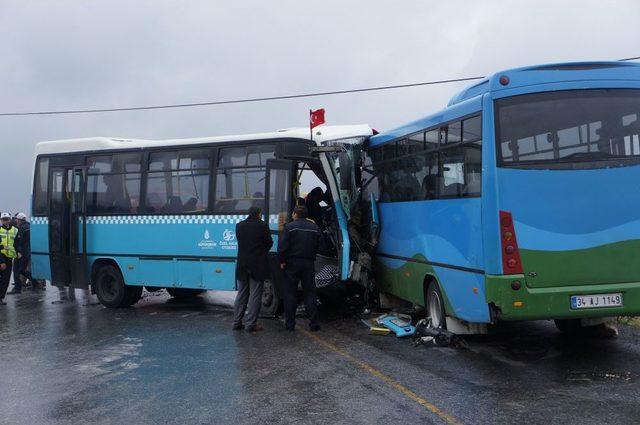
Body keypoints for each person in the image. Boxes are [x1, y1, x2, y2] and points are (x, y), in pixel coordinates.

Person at [277, 205, 321, 331]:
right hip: (308, 264)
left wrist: (282, 261)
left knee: (290, 293)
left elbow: (282, 247)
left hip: (291, 264)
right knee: (310, 294)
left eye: (293, 214)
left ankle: (290, 324)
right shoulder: (314, 228)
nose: (292, 215)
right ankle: (314, 324)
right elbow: (321, 246)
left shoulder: (289, 227)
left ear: (296, 214)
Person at [232, 206, 273, 332]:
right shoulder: (262, 226)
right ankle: (250, 324)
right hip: (257, 265)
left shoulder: (239, 226)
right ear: (259, 214)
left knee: (242, 293)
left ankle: (236, 322)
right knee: (255, 295)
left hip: (242, 264)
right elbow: (269, 243)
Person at [8, 212, 33, 294]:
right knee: (22, 269)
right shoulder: (29, 226)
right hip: (28, 252)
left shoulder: (21, 229)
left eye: (17, 220)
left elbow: (20, 241)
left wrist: (17, 251)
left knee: (16, 270)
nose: (16, 221)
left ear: (19, 220)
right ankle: (34, 281)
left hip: (20, 253)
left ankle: (17, 289)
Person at [0, 212, 20, 305]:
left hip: (9, 258)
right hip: (1, 257)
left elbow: (16, 243)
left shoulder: (15, 230)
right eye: (3, 219)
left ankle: (1, 297)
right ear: (1, 220)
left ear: (10, 219)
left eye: (7, 219)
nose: (5, 221)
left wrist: (18, 252)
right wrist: (1, 261)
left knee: (6, 279)